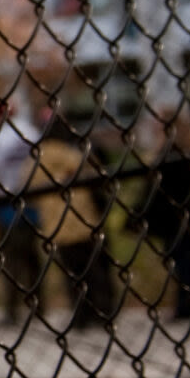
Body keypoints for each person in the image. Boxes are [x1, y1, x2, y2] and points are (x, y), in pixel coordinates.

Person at [33, 116, 116, 329]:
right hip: (85, 220)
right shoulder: (75, 155)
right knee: (95, 270)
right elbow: (97, 174)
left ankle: (81, 314)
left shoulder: (37, 159)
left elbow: (29, 188)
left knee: (73, 274)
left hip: (57, 224)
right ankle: (104, 310)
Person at [0, 97, 44, 323]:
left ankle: (12, 309)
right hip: (32, 199)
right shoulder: (30, 132)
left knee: (9, 260)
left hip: (4, 202)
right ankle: (38, 305)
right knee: (31, 256)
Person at [141, 109, 190, 322]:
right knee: (183, 258)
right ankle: (187, 303)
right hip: (178, 214)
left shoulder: (173, 150)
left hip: (174, 214)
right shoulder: (177, 148)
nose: (153, 126)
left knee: (184, 259)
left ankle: (188, 305)